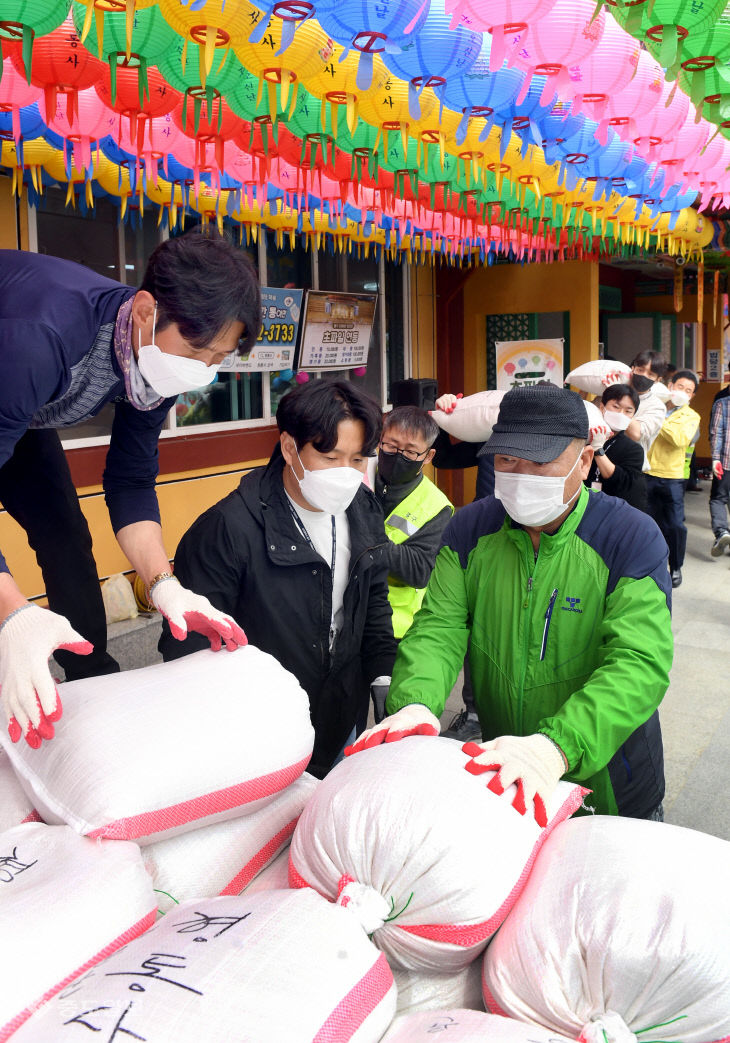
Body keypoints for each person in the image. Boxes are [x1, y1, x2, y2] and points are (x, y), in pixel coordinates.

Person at [348, 384, 672, 823]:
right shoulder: (469, 528)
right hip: (508, 771)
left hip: (610, 777)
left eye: (539, 462)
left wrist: (557, 746)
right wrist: (416, 703)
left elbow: (638, 662)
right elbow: (439, 627)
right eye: (506, 460)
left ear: (583, 460)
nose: (520, 475)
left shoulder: (629, 537)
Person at [0, 231, 259, 749]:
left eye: (216, 359)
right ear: (144, 310)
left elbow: (131, 479)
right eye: (195, 350)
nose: (201, 371)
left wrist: (165, 584)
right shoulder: (43, 335)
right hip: (12, 373)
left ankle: (92, 678)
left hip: (17, 413)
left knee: (66, 535)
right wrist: (14, 612)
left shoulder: (154, 366)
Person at [159, 380, 397, 779]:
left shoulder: (363, 508)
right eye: (330, 456)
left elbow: (372, 599)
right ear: (289, 448)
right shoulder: (227, 529)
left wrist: (383, 673)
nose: (346, 474)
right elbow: (189, 646)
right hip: (258, 735)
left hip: (341, 717)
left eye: (358, 460)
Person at [370, 406, 453, 720]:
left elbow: (419, 570)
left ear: (428, 456)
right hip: (348, 617)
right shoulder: (358, 477)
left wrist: (370, 541)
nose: (397, 455)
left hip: (396, 630)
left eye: (409, 451)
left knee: (389, 719)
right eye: (390, 446)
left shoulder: (436, 506)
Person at [645, 370, 701, 589]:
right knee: (648, 522)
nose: (683, 393)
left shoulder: (691, 416)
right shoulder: (653, 405)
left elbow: (679, 440)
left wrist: (657, 417)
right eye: (680, 387)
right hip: (648, 472)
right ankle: (648, 564)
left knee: (676, 525)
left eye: (688, 391)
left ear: (692, 396)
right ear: (670, 386)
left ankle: (675, 565)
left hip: (673, 477)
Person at [587, 383, 647, 512]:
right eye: (616, 407)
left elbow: (621, 481)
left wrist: (598, 450)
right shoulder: (586, 437)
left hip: (615, 510)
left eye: (628, 411)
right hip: (584, 506)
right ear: (602, 407)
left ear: (633, 416)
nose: (621, 414)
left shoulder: (634, 450)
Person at [708, 382, 730, 557]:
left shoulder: (722, 402)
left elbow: (717, 433)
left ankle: (722, 532)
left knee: (718, 499)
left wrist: (715, 458)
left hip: (725, 462)